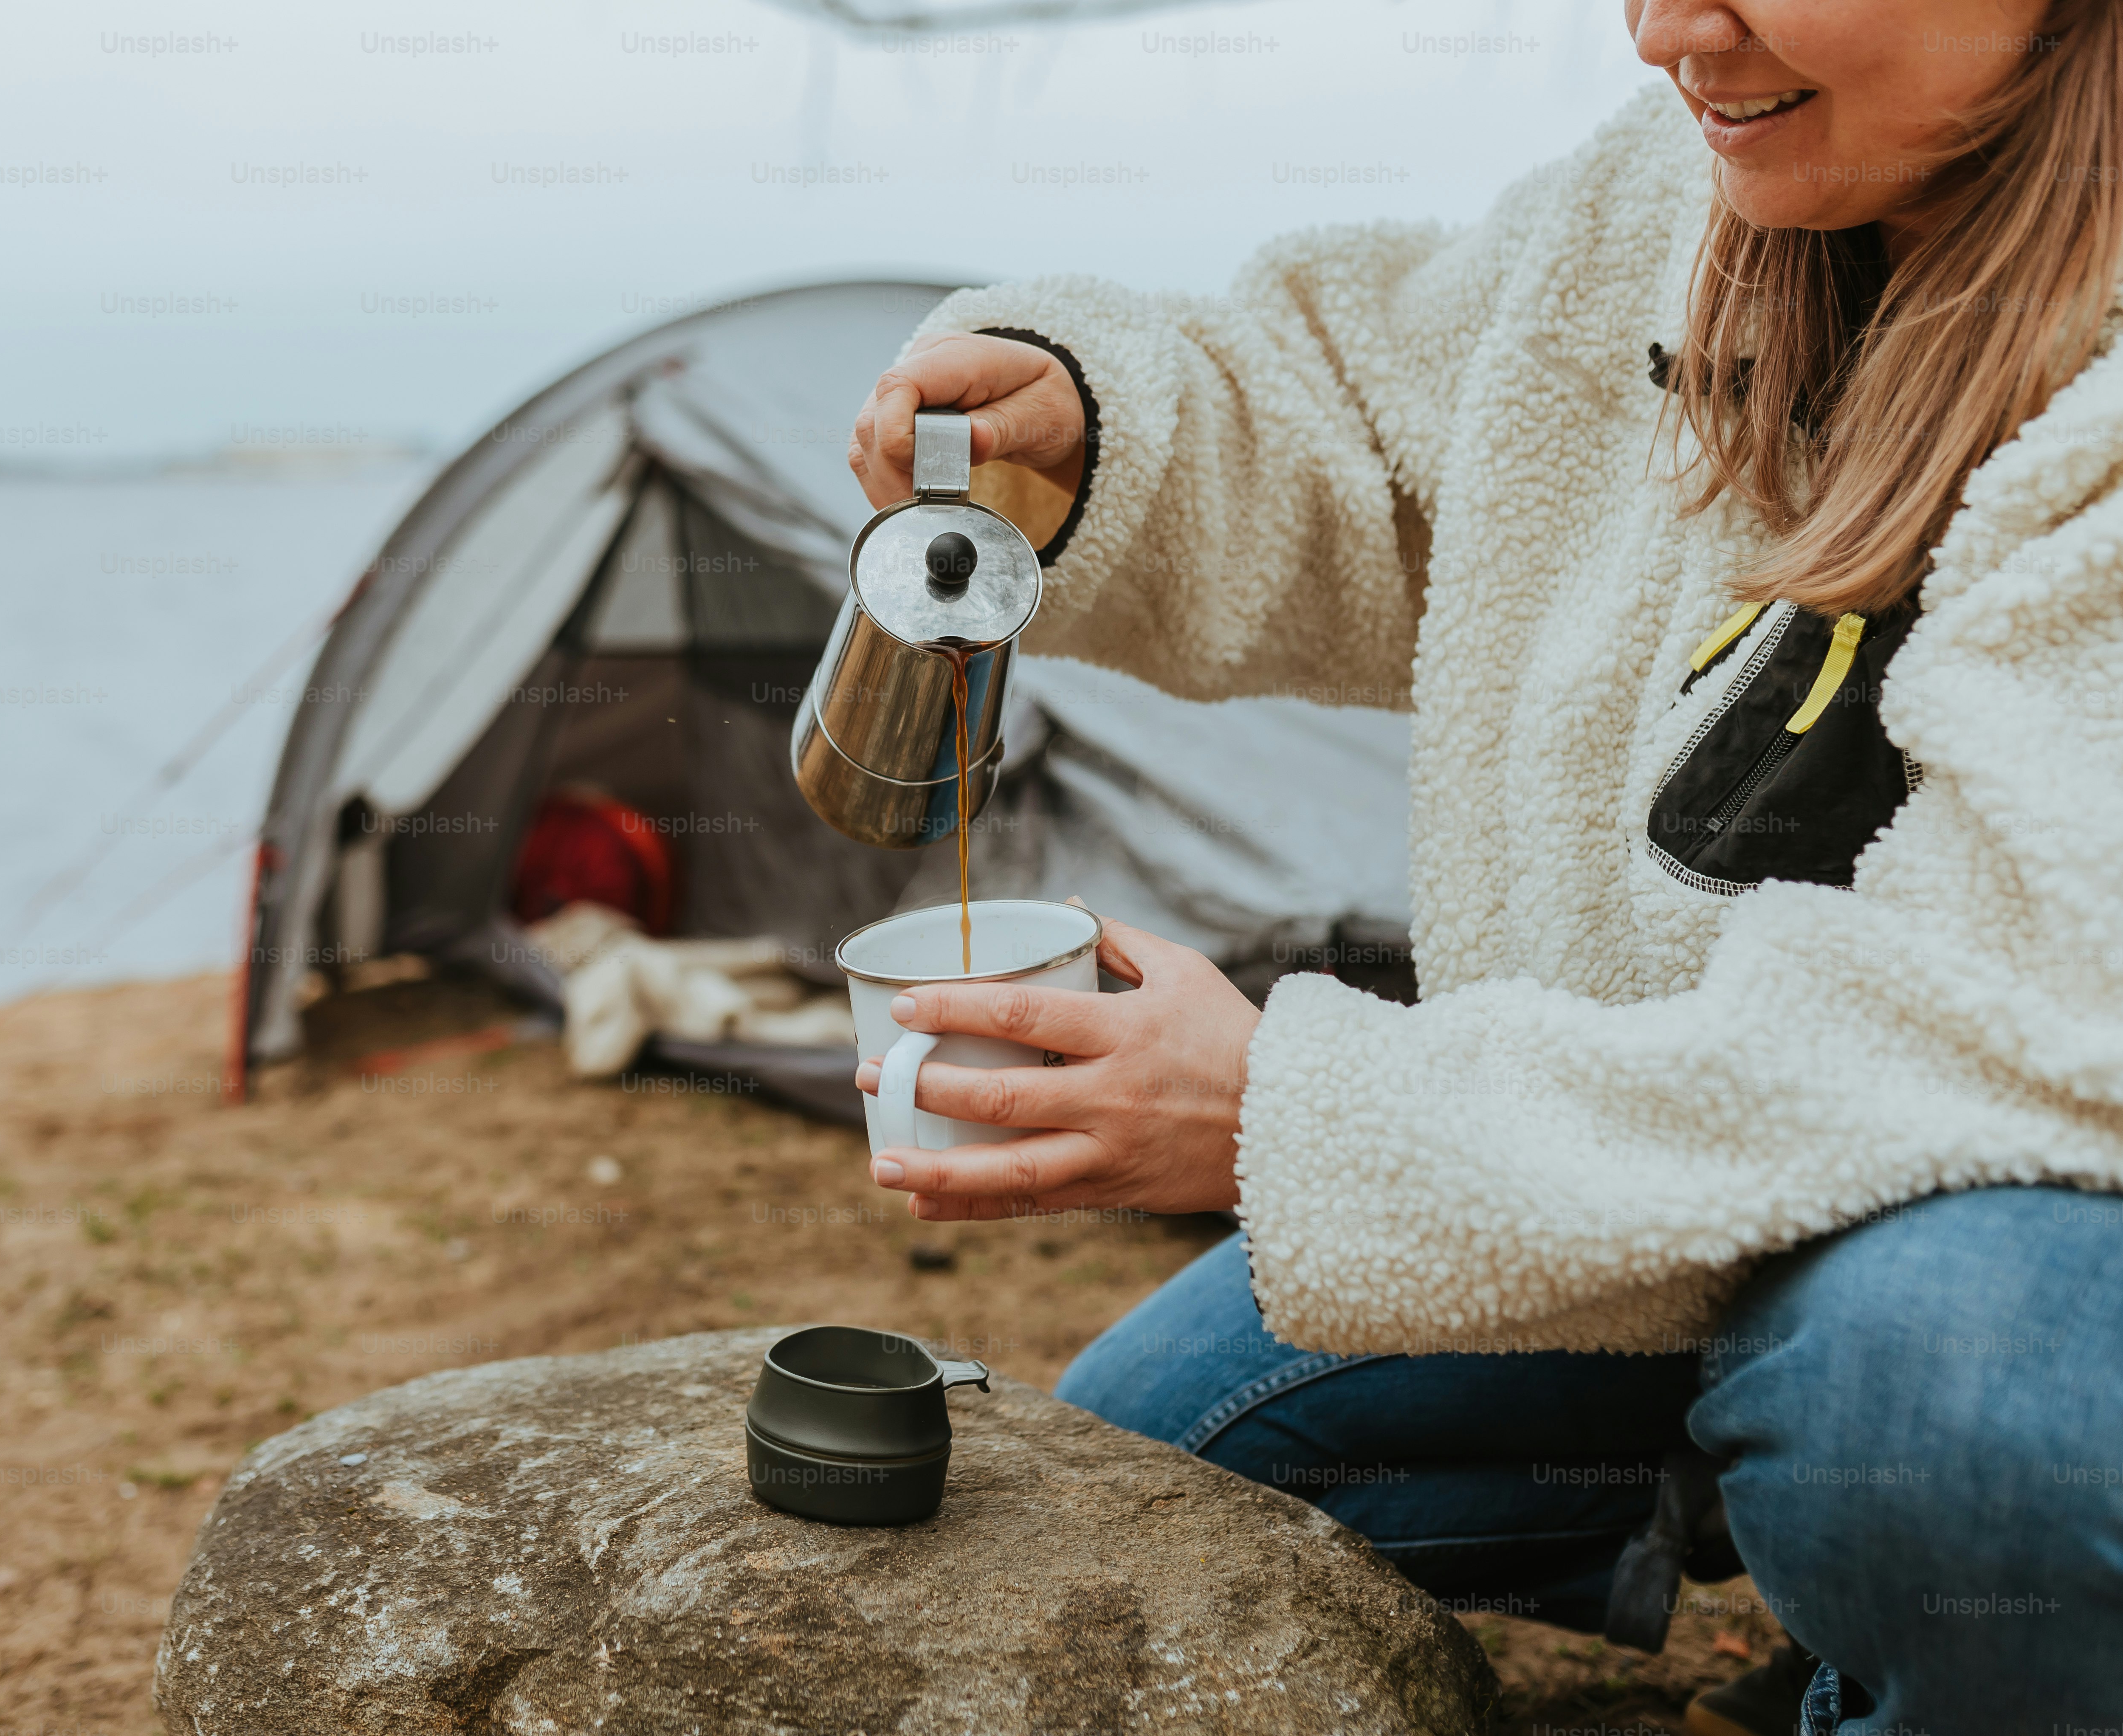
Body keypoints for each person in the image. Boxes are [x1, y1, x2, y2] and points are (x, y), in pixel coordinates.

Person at [842, 3, 2123, 1731]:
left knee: (1953, 1407)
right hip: (1635, 1167)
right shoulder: (1672, 208)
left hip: (2024, 1220)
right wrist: (1096, 433)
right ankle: (1765, 1490)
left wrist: (1285, 1117)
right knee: (1151, 1461)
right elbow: (1381, 437)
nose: (1668, 30)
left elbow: (2009, 1033)